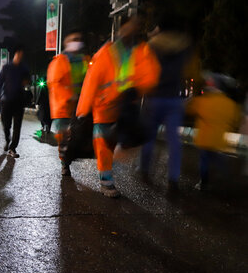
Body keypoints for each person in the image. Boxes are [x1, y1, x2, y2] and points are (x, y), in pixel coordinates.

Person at [76, 15, 160, 197]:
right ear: (121, 29)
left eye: (136, 27)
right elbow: (91, 81)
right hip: (105, 106)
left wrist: (136, 90)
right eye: (130, 26)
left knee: (123, 142)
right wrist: (83, 110)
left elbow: (151, 76)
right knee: (104, 145)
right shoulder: (105, 53)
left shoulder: (141, 52)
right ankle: (106, 181)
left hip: (125, 106)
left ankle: (111, 170)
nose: (133, 30)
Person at [139, 16, 199, 191]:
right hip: (174, 99)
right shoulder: (185, 45)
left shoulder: (152, 45)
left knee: (149, 137)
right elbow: (190, 70)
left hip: (154, 97)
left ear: (160, 27)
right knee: (174, 140)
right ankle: (173, 179)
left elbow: (144, 69)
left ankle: (144, 170)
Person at [185, 73, 242, 190]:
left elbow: (189, 109)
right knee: (218, 158)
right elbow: (236, 120)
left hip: (204, 139)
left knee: (204, 160)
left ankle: (203, 183)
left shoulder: (203, 101)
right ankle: (227, 176)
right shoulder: (230, 104)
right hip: (218, 140)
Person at [47, 30, 89, 176]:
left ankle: (70, 158)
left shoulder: (84, 60)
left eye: (79, 38)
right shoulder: (59, 61)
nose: (77, 41)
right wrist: (71, 95)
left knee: (77, 136)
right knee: (63, 138)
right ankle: (65, 163)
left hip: (79, 106)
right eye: (74, 39)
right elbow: (54, 84)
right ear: (66, 42)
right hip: (63, 107)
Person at [0, 46, 30, 158]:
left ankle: (12, 148)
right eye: (18, 54)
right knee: (6, 124)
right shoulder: (6, 68)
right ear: (14, 55)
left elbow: (28, 81)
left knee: (17, 126)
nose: (19, 57)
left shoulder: (24, 68)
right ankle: (7, 138)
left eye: (21, 55)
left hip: (19, 101)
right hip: (6, 101)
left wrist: (27, 81)